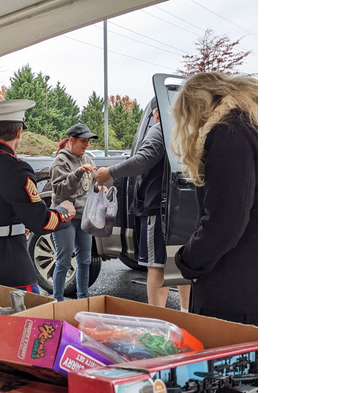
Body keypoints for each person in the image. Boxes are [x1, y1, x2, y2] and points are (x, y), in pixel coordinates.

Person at [0, 99, 76, 293]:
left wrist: (4, 226)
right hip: (9, 263)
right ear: (19, 132)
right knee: (28, 317)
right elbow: (41, 222)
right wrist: (64, 211)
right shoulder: (18, 169)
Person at [170, 72, 258, 326]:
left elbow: (225, 220)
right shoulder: (253, 125)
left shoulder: (228, 133)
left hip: (233, 288)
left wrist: (188, 262)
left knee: (225, 363)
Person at [93, 99, 190, 310]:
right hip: (186, 209)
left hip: (158, 209)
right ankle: (187, 314)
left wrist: (109, 172)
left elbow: (143, 159)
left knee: (157, 266)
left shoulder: (159, 129)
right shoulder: (188, 132)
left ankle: (158, 322)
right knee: (182, 264)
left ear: (156, 114)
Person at [49, 123, 100, 301]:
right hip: (64, 217)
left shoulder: (88, 160)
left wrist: (101, 188)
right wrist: (77, 173)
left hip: (83, 218)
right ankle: (58, 300)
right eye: (83, 141)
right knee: (64, 260)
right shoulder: (60, 161)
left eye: (88, 142)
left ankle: (83, 300)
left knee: (85, 261)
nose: (86, 145)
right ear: (71, 140)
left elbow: (92, 184)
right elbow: (62, 191)